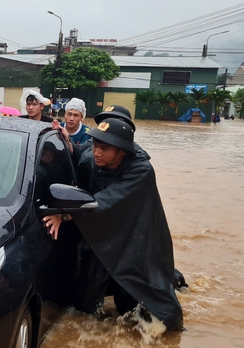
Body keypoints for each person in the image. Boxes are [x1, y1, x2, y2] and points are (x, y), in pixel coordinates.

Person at [43, 117, 184, 331]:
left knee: (145, 304)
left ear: (122, 152)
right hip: (104, 233)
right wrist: (68, 143)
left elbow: (107, 200)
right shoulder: (94, 156)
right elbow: (82, 154)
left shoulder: (141, 170)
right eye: (95, 145)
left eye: (104, 148)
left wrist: (63, 216)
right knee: (85, 303)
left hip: (136, 236)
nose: (97, 152)